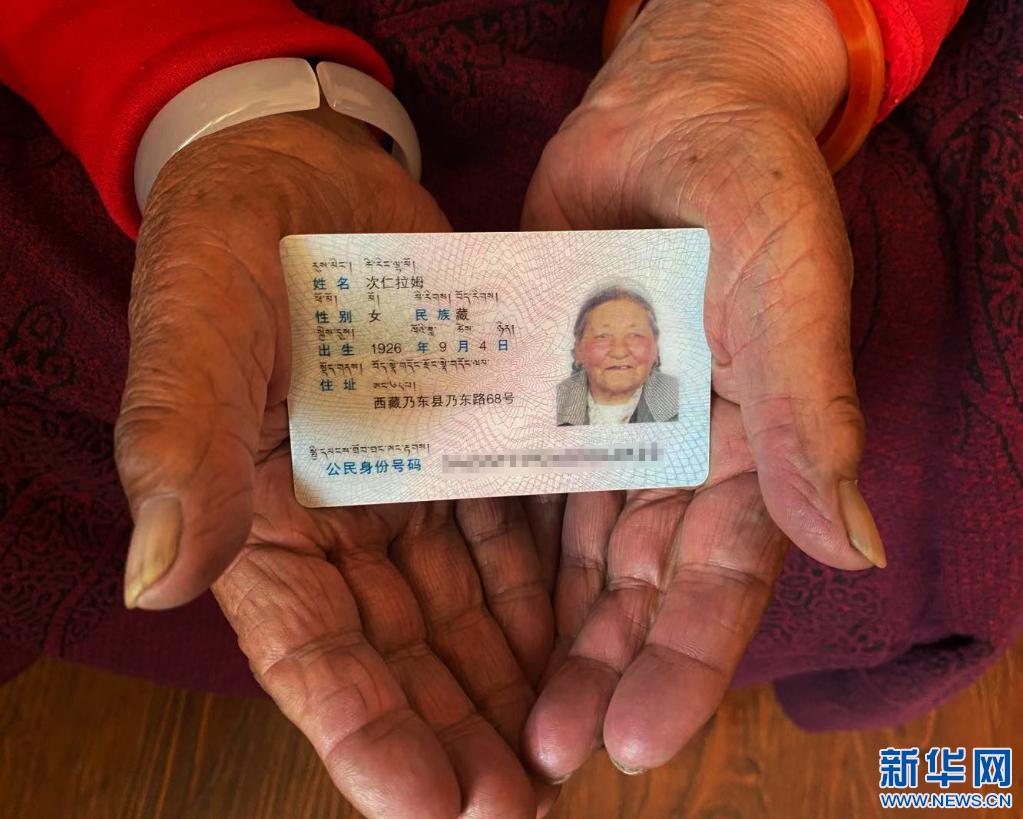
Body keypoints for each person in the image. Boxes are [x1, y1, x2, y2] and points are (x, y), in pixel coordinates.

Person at [4, 1, 1020, 818]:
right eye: (604, 341)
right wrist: (208, 101)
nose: (619, 353)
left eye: (630, 340)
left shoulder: (663, 395)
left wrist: (748, 37)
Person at [556, 286, 679, 425]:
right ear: (579, 349)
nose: (619, 352)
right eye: (603, 336)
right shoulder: (552, 402)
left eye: (634, 335)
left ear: (655, 348)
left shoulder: (684, 399)